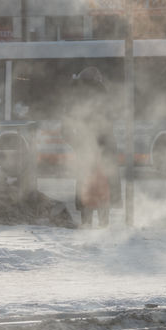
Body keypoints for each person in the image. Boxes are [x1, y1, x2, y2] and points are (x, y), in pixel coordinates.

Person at [62, 66, 117, 228]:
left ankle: (89, 226)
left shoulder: (75, 98)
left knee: (88, 187)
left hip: (90, 151)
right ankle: (101, 227)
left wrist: (78, 143)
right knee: (100, 188)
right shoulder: (102, 95)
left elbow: (64, 130)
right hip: (101, 151)